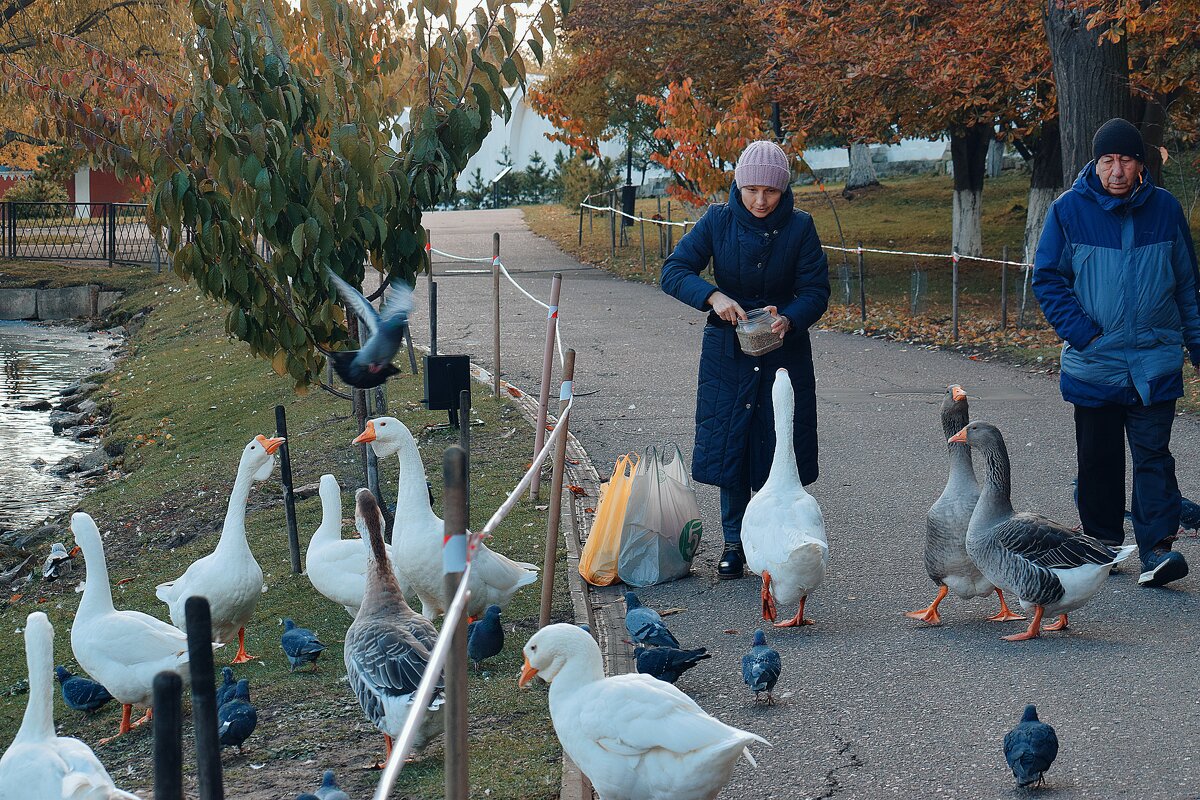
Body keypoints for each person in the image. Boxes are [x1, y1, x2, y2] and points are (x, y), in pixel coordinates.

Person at [1032, 117, 1200, 588]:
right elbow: (1047, 277)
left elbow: (1187, 284)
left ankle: (1157, 549)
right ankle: (1103, 543)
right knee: (1098, 459)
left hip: (1155, 360)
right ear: (1096, 162)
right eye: (1108, 160)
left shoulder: (1165, 210)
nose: (1117, 170)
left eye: (1126, 160)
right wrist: (1082, 333)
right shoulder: (1069, 210)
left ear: (1141, 166)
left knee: (1154, 457)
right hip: (1096, 362)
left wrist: (1196, 343)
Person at [660, 139, 830, 579]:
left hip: (783, 354)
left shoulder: (800, 227)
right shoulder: (717, 221)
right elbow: (674, 270)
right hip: (727, 354)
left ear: (783, 190)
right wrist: (713, 296)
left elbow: (816, 292)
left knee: (777, 448)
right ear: (738, 184)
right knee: (731, 448)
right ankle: (734, 543)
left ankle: (774, 544)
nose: (760, 200)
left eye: (770, 192)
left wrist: (790, 317)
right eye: (752, 189)